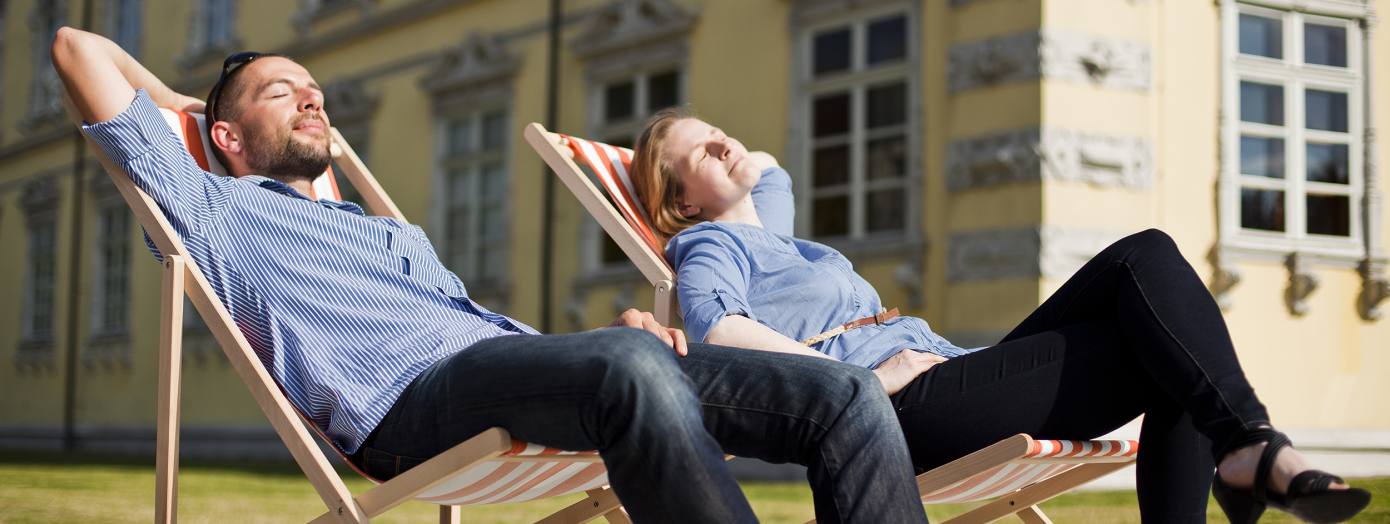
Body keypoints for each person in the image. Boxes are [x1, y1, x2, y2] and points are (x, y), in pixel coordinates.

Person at [51, 28, 931, 523]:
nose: (313, 97)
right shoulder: (210, 208)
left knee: (846, 395)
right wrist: (191, 107)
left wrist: (604, 345)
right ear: (230, 140)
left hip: (514, 364)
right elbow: (76, 45)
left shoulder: (380, 229)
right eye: (282, 93)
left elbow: (494, 345)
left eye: (313, 86)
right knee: (626, 368)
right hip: (406, 403)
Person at [628, 109, 1373, 523]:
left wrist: (736, 156)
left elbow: (768, 166)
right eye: (695, 149)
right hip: (902, 411)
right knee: (1156, 308)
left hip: (953, 373)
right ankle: (1251, 451)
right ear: (681, 203)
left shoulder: (772, 234)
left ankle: (1247, 445)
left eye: (714, 127)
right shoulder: (707, 243)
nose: (721, 139)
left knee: (1146, 269)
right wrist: (871, 382)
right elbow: (717, 334)